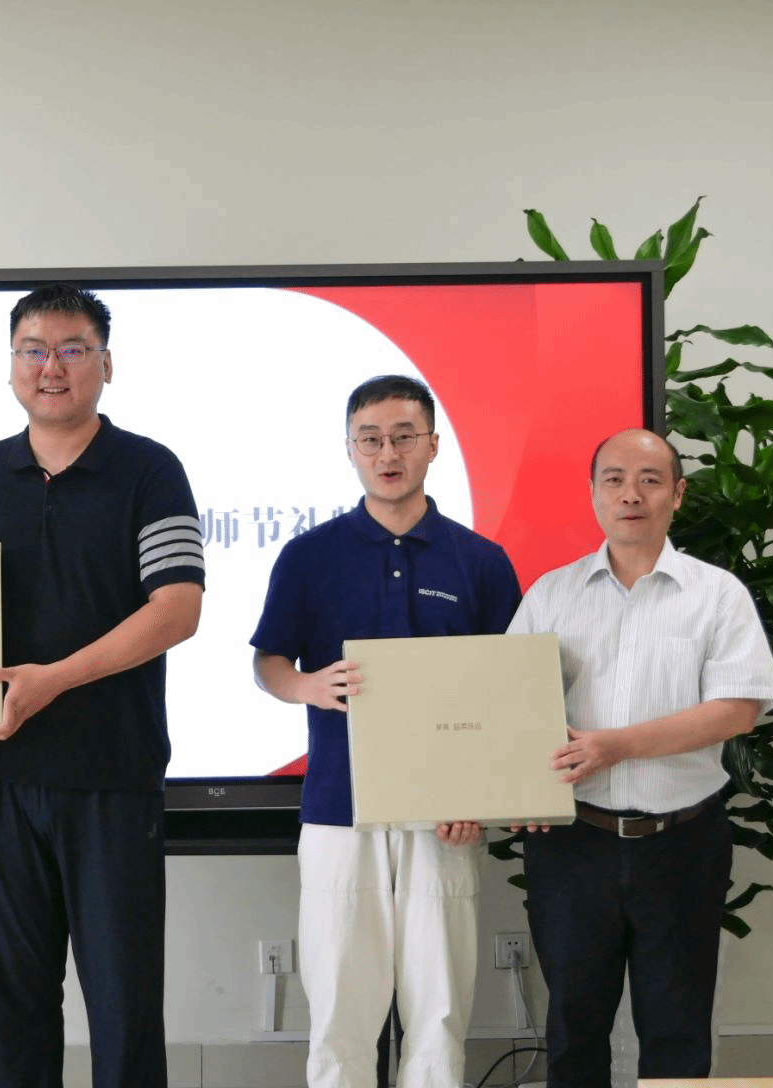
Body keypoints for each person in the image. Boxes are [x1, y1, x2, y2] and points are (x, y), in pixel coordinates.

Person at [0, 283, 205, 1088]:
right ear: (11, 364)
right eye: (34, 350)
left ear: (106, 364)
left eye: (73, 349)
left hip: (112, 775)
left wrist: (54, 681)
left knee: (123, 1004)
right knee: (8, 1005)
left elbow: (178, 609)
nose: (52, 367)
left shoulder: (151, 470)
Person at [250, 374, 522, 1088]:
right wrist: (306, 685)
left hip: (445, 816)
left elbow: (507, 691)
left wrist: (480, 796)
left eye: (404, 437)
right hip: (339, 809)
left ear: (433, 445)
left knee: (439, 1011)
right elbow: (268, 661)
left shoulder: (479, 561)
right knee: (340, 1008)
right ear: (350, 449)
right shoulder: (309, 556)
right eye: (370, 439)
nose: (387, 453)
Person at [507, 428, 773, 1086]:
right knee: (573, 1030)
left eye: (650, 480)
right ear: (594, 493)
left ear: (677, 494)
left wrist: (614, 746)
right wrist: (515, 785)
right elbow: (512, 704)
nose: (630, 494)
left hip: (681, 844)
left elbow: (736, 710)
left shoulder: (717, 594)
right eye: (614, 479)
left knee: (677, 1032)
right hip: (573, 846)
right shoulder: (552, 594)